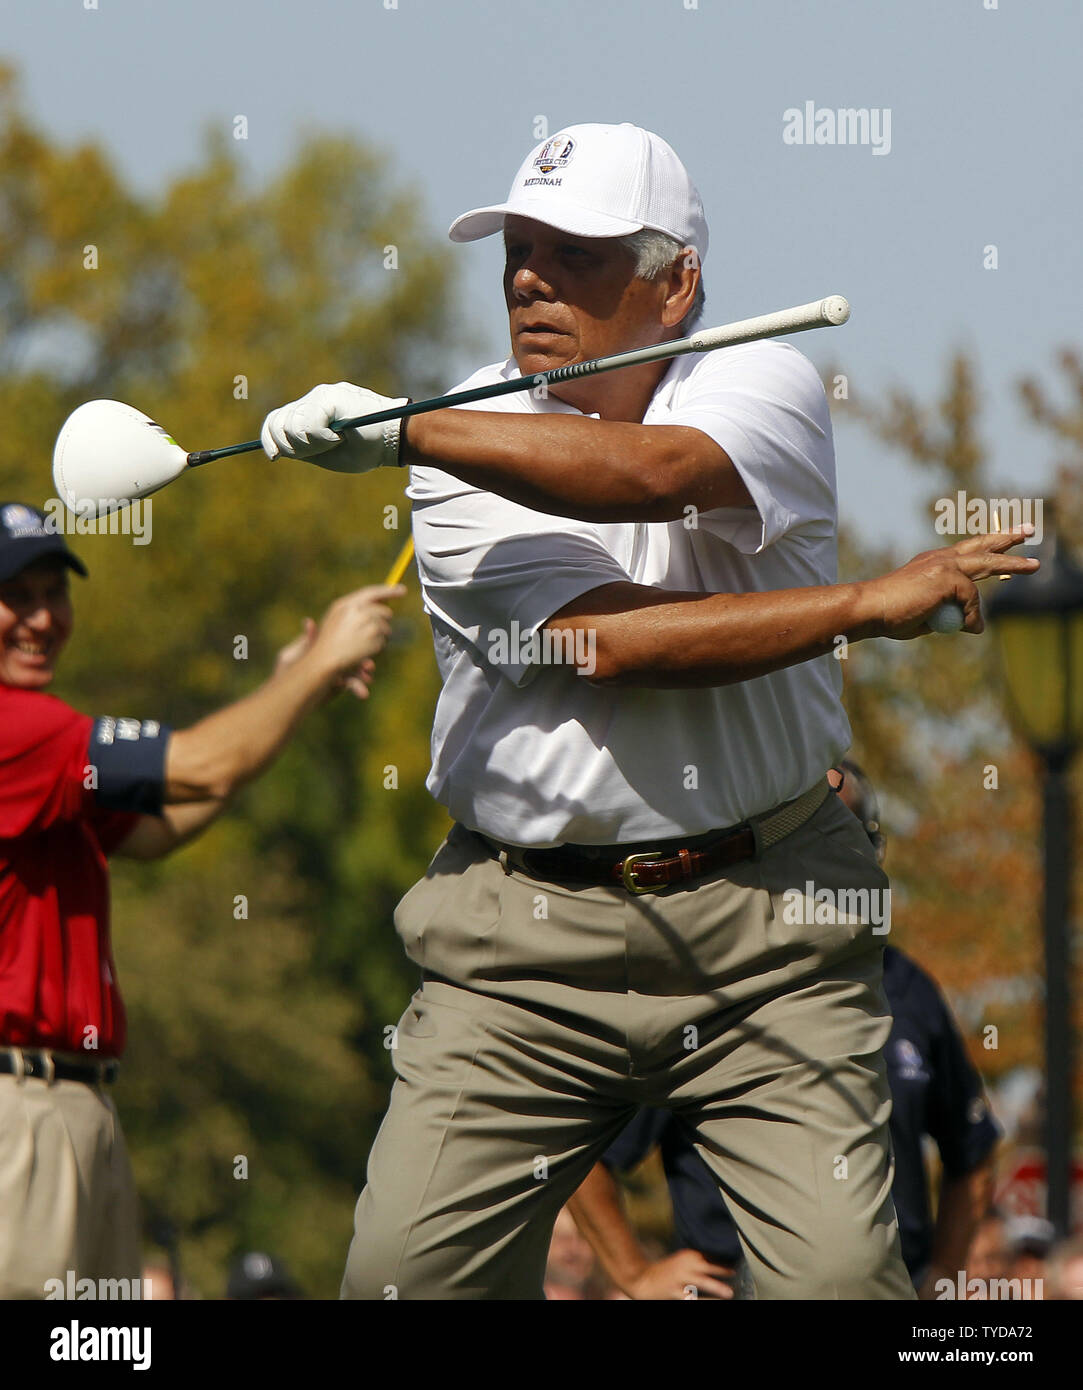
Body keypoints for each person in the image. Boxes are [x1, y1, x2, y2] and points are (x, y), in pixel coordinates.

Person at [262, 122, 1037, 1301]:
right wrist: (865, 604)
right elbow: (608, 644)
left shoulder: (763, 379)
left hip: (770, 931)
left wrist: (399, 426)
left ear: (676, 284)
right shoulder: (455, 439)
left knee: (840, 1284)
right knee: (398, 1282)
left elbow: (660, 473)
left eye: (573, 255)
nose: (529, 279)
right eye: (518, 252)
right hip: (520, 948)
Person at [0, 500, 401, 1300]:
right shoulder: (20, 729)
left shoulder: (40, 743)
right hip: (19, 1114)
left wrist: (293, 691)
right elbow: (203, 764)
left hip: (77, 1106)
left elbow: (160, 826)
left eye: (55, 593)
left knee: (100, 1351)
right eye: (18, 598)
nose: (43, 619)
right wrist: (318, 666)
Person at [566, 760, 1000, 1300]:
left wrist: (943, 1275)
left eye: (840, 833)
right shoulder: (704, 990)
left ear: (871, 849)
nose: (822, 856)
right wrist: (635, 1273)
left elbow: (973, 1152)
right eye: (804, 834)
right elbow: (583, 1148)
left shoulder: (910, 989)